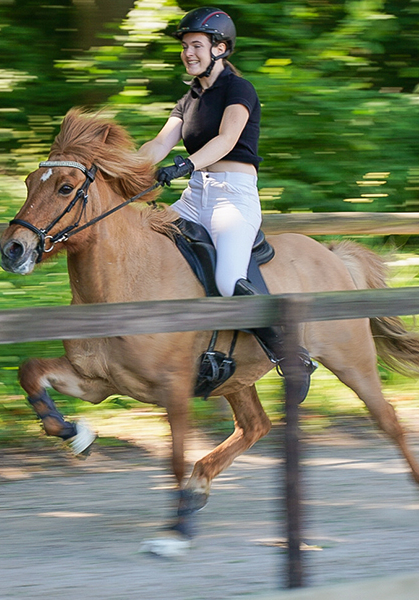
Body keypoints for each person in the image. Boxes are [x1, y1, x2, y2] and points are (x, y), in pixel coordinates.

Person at [138, 7, 315, 392]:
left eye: (196, 45)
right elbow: (159, 142)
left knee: (228, 279)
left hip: (232, 197)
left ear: (220, 48)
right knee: (143, 241)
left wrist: (183, 165)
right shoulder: (189, 99)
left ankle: (291, 354)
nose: (188, 53)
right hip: (194, 195)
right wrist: (126, 168)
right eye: (185, 46)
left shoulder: (240, 90)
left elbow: (227, 139)